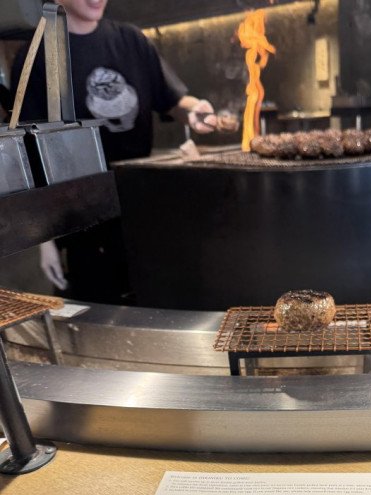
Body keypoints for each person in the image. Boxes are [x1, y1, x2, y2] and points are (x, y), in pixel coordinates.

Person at [11, 0, 217, 304]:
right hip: (80, 221)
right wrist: (45, 239)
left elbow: (172, 101)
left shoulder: (131, 39)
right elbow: (31, 153)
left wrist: (194, 110)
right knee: (98, 306)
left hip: (140, 207)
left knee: (155, 300)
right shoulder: (38, 56)